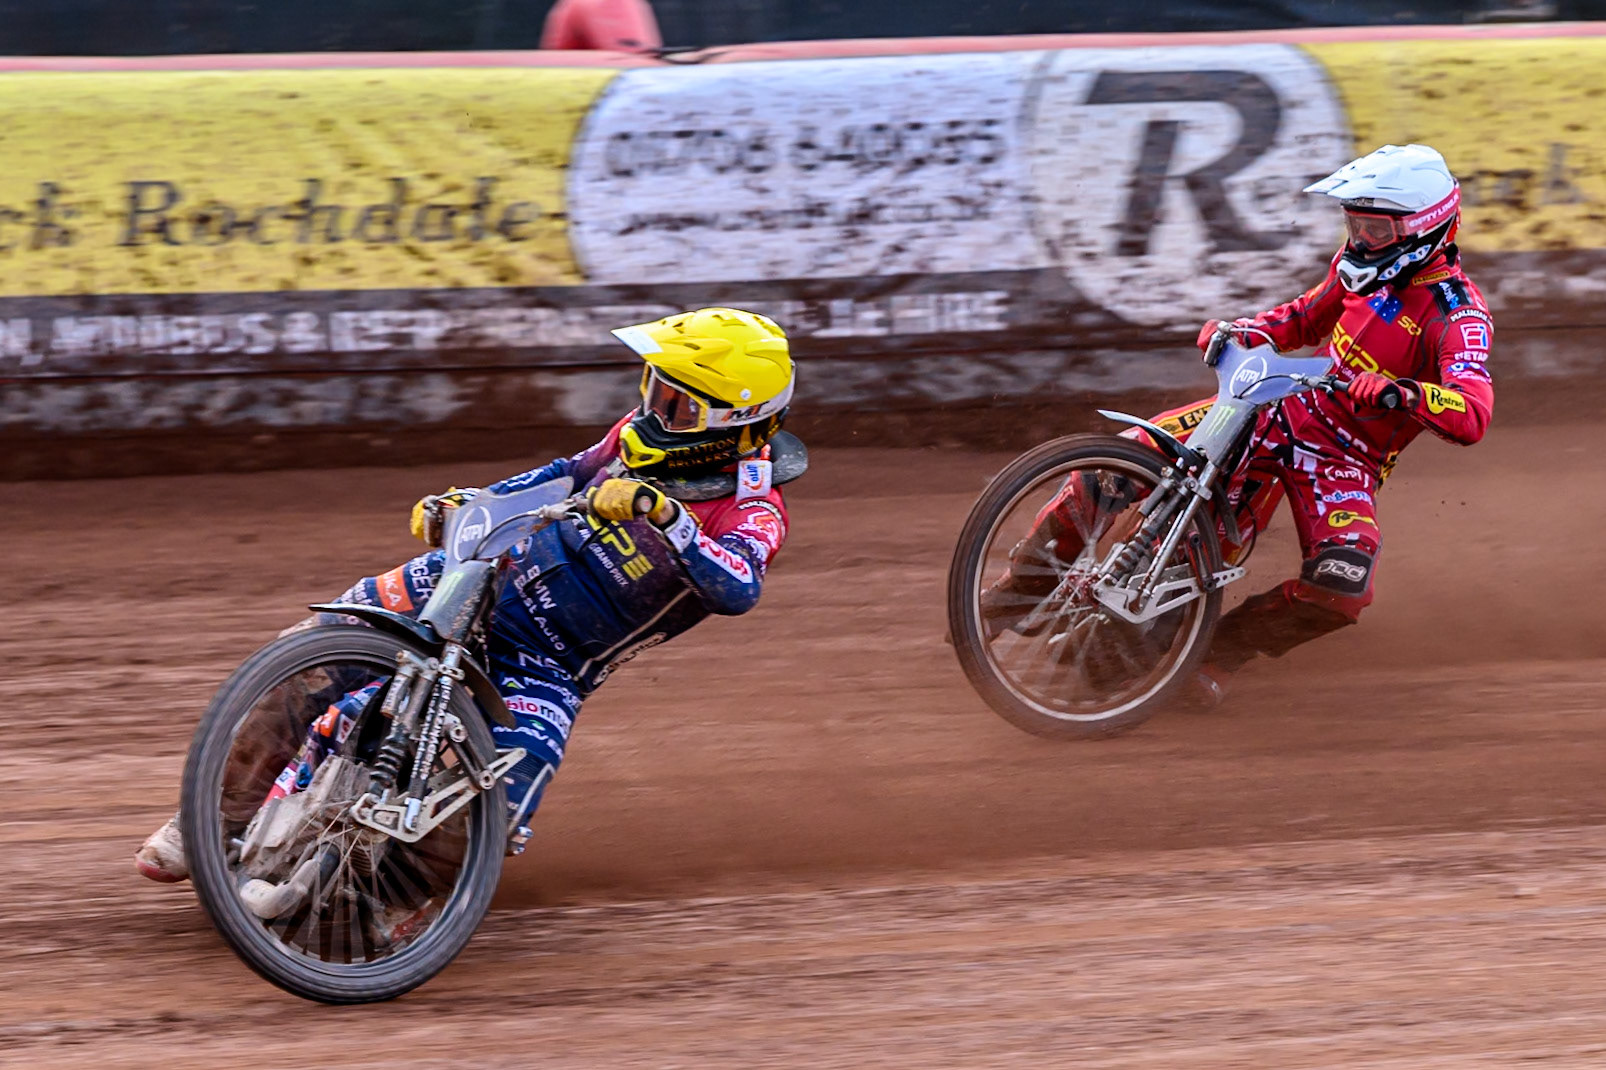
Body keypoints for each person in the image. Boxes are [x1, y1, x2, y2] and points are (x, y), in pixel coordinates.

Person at [136, 307, 804, 881]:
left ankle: (384, 913)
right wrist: (470, 504)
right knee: (307, 659)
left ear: (732, 419)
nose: (653, 409)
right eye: (655, 388)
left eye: (677, 404)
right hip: (477, 578)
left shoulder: (754, 508)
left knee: (503, 801)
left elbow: (738, 586)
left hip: (550, 663)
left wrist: (668, 518)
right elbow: (564, 474)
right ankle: (210, 822)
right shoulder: (632, 438)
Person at [983, 144, 1494, 705]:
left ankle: (1218, 653)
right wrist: (1245, 330)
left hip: (1344, 458)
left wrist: (1405, 392)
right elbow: (1304, 318)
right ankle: (1022, 588)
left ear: (1423, 228)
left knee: (1343, 584)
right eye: (1355, 224)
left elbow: (1472, 411)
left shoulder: (1459, 314)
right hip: (1274, 404)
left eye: (1375, 229)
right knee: (1116, 465)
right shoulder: (1357, 270)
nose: (1360, 239)